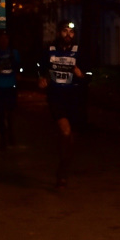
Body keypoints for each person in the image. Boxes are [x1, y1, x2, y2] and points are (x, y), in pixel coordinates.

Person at [38, 21, 84, 188]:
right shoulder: (49, 51)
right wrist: (42, 79)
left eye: (71, 32)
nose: (68, 34)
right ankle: (62, 174)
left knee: (71, 139)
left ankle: (63, 168)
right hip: (56, 97)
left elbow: (90, 74)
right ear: (58, 33)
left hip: (75, 99)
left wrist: (81, 75)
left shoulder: (80, 52)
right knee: (65, 131)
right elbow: (41, 69)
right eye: (65, 31)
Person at [0, 32, 21, 148]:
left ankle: (10, 133)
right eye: (2, 39)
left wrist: (18, 74)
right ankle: (3, 137)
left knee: (10, 113)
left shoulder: (14, 53)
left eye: (6, 39)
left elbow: (19, 67)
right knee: (0, 114)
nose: (4, 41)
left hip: (10, 87)